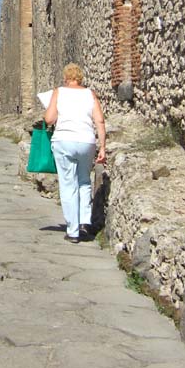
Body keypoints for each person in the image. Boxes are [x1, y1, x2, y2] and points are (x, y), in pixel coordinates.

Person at [43, 63, 107, 243]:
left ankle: (73, 230)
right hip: (86, 141)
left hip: (64, 140)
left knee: (68, 184)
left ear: (66, 77)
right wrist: (102, 146)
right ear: (80, 78)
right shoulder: (90, 94)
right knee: (84, 181)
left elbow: (49, 119)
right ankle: (84, 222)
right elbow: (99, 121)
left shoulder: (59, 92)